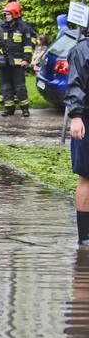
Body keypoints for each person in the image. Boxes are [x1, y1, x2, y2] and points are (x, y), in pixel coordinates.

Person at [66, 31, 89, 246]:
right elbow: (75, 85)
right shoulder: (82, 50)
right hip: (86, 118)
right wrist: (76, 117)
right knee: (87, 175)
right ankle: (85, 236)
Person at [0, 1, 35, 117]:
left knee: (20, 86)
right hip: (5, 62)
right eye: (6, 14)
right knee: (5, 85)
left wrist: (26, 59)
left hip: (18, 63)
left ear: (15, 14)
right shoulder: (1, 26)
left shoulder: (23, 28)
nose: (6, 16)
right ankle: (9, 108)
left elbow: (28, 46)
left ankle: (25, 108)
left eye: (8, 14)